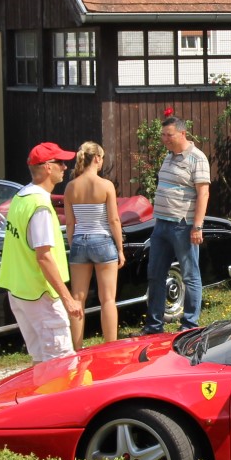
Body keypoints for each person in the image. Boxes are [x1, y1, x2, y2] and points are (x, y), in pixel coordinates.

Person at [0, 142, 82, 361]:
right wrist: (67, 299)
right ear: (47, 167)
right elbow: (44, 257)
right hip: (41, 293)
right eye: (61, 163)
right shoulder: (40, 206)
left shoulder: (20, 197)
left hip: (19, 291)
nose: (65, 167)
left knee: (39, 360)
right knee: (61, 362)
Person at [146, 117, 211, 334]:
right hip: (161, 224)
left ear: (182, 134)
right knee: (155, 274)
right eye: (163, 135)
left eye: (169, 135)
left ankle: (189, 325)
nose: (165, 139)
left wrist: (197, 226)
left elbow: (203, 193)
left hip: (183, 225)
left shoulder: (197, 158)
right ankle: (154, 325)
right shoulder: (169, 157)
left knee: (190, 274)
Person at [63, 141, 125, 345]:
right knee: (107, 299)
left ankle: (77, 349)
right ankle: (110, 346)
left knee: (77, 298)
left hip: (80, 240)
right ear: (97, 158)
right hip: (103, 240)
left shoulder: (71, 187)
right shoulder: (105, 185)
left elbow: (70, 222)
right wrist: (120, 249)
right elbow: (114, 220)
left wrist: (74, 244)